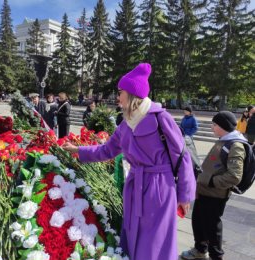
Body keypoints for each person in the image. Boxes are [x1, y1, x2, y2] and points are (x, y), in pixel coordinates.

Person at [62, 63, 196, 260]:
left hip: (159, 188)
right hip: (135, 187)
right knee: (134, 236)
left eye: (120, 92)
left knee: (155, 241)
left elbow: (182, 156)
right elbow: (107, 150)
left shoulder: (161, 118)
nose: (118, 97)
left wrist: (184, 195)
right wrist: (78, 151)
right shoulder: (126, 123)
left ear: (132, 94)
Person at [181, 111, 246, 260]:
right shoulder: (223, 140)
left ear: (223, 126)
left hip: (215, 195)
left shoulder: (235, 145)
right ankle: (200, 249)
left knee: (212, 227)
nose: (212, 127)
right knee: (198, 221)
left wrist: (210, 181)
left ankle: (216, 256)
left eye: (215, 124)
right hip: (204, 191)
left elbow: (234, 176)